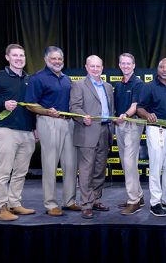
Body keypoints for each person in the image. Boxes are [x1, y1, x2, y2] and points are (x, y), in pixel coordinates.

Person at [0, 44, 37, 221]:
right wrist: (2, 105)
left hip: (27, 133)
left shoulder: (30, 79)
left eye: (22, 55)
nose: (19, 58)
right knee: (4, 170)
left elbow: (32, 106)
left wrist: (35, 129)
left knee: (21, 171)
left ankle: (15, 203)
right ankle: (0, 208)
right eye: (15, 55)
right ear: (7, 57)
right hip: (6, 131)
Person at [25, 46, 80, 216]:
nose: (57, 62)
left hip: (68, 123)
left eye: (59, 59)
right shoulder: (37, 79)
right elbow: (30, 104)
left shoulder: (66, 79)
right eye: (53, 58)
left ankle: (69, 200)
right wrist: (46, 111)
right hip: (48, 122)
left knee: (70, 164)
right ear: (46, 59)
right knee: (50, 164)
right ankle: (50, 204)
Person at [137, 58, 166, 217]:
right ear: (158, 69)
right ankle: (155, 203)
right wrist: (147, 114)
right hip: (156, 131)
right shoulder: (149, 86)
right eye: (162, 67)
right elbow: (139, 108)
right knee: (156, 167)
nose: (165, 69)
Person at [69, 55, 113, 219]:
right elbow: (74, 107)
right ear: (86, 67)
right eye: (92, 66)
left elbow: (110, 110)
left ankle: (95, 200)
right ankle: (86, 205)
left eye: (98, 66)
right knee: (86, 171)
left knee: (99, 170)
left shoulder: (108, 86)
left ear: (102, 67)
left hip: (104, 131)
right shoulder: (78, 84)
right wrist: (82, 117)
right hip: (87, 132)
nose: (95, 69)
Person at [113, 53, 146, 215]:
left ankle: (133, 201)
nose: (126, 66)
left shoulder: (138, 83)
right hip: (120, 125)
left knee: (129, 162)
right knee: (126, 163)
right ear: (119, 65)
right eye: (123, 63)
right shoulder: (119, 84)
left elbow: (134, 106)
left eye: (129, 63)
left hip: (132, 125)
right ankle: (138, 195)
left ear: (133, 65)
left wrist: (125, 115)